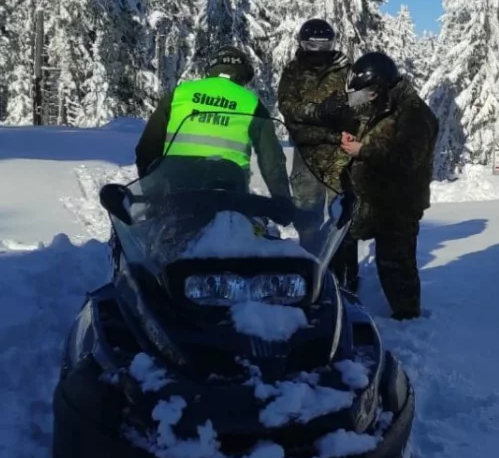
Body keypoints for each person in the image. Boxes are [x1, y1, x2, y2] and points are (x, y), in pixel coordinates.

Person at [338, 52, 438, 320]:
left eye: (370, 92)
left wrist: (363, 149)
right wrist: (355, 139)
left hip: (399, 203)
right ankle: (341, 296)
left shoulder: (414, 112)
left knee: (395, 265)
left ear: (384, 86)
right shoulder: (384, 106)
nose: (367, 99)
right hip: (373, 198)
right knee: (341, 241)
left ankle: (408, 320)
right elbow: (375, 133)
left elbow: (406, 157)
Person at [135, 44, 291, 200]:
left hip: (175, 189)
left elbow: (147, 147)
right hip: (230, 192)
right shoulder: (252, 103)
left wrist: (151, 193)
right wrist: (282, 200)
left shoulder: (179, 93)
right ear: (243, 73)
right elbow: (271, 159)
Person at [277, 18, 359, 290]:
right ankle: (310, 271)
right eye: (311, 44)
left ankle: (346, 279)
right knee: (306, 216)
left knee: (343, 217)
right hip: (307, 153)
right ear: (301, 44)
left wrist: (345, 117)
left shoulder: (346, 71)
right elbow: (289, 109)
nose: (316, 50)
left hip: (340, 153)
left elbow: (360, 106)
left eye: (322, 44)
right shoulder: (293, 72)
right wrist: (319, 112)